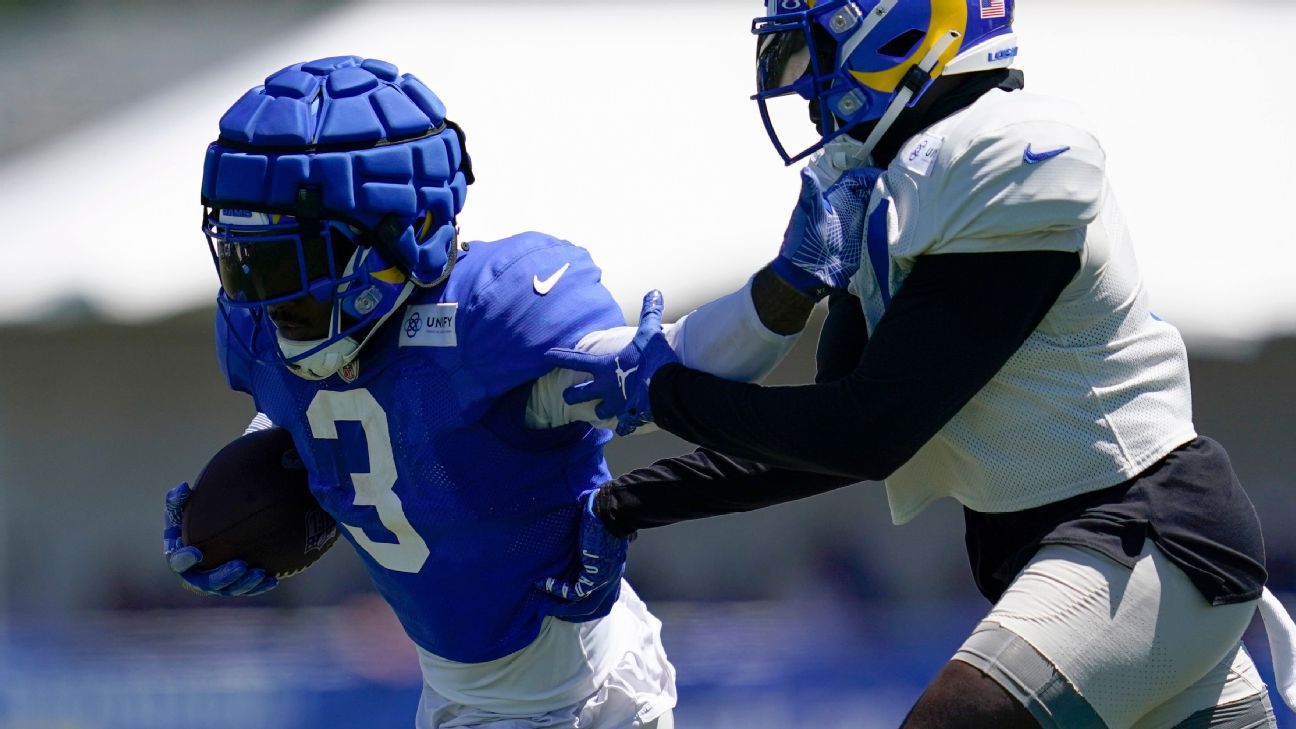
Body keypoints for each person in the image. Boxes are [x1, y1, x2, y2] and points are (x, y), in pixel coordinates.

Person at [541, 2, 1296, 727]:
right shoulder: (904, 181)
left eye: (816, 57)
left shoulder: (1013, 148)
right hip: (1118, 562)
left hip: (1142, 538)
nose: (808, 95)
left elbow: (864, 430)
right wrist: (629, 502)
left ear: (902, 35)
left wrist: (667, 395)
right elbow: (823, 438)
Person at [159, 55, 803, 729]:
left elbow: (688, 365)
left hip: (588, 701)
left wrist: (795, 280)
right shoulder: (261, 336)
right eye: (246, 259)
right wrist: (244, 494)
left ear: (395, 234)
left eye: (290, 259)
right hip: (454, 702)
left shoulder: (485, 323)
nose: (266, 296)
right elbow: (305, 413)